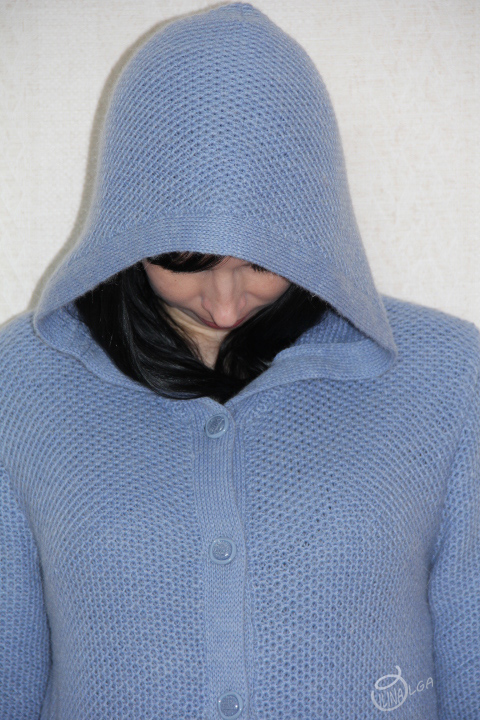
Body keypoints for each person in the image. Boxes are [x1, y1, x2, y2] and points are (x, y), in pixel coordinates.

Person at [0, 3, 478, 719]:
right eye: (185, 261)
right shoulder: (22, 382)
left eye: (261, 262)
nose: (224, 307)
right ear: (129, 226)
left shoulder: (447, 379)